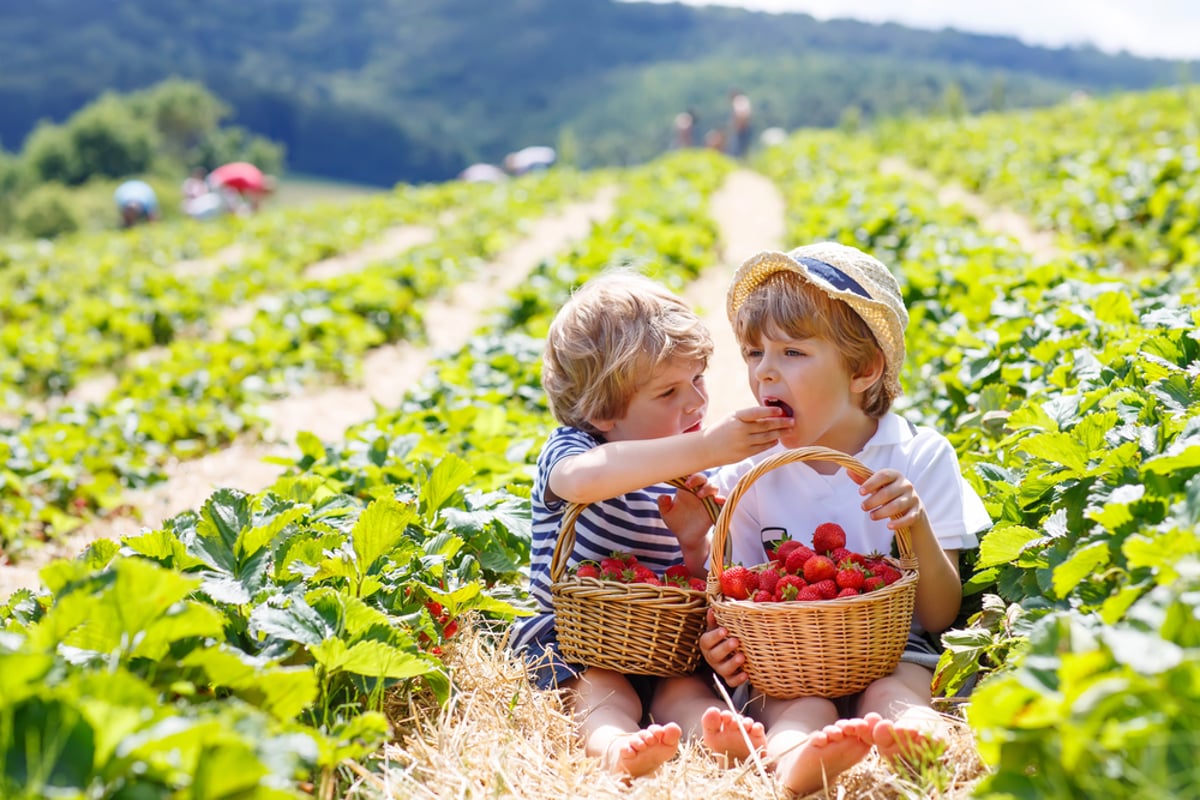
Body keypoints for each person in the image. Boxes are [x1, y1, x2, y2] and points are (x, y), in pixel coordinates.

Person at [701, 241, 990, 795]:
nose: (765, 372)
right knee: (795, 707)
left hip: (895, 649)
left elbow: (937, 615)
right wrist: (721, 640)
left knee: (899, 691)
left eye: (792, 353)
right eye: (754, 352)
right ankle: (795, 760)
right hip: (787, 661)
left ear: (864, 370)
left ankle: (919, 740)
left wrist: (914, 525)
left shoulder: (918, 457)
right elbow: (732, 597)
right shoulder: (750, 474)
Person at [507, 269, 793, 778]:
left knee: (684, 690)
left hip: (661, 645)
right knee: (601, 689)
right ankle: (615, 744)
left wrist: (691, 541)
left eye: (698, 379)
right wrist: (704, 447)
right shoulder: (575, 449)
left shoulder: (685, 471)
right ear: (602, 412)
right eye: (667, 393)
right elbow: (581, 480)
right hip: (578, 639)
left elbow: (687, 578)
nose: (697, 402)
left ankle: (718, 735)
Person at [208, 162, 276, 215]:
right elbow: (255, 204)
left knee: (234, 206)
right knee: (232, 210)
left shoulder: (257, 174)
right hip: (219, 182)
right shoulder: (256, 183)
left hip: (217, 177)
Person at [727, 89, 752, 158]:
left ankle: (739, 161)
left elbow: (739, 115)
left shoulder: (737, 100)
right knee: (745, 147)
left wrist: (737, 127)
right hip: (746, 126)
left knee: (738, 148)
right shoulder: (744, 100)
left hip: (741, 128)